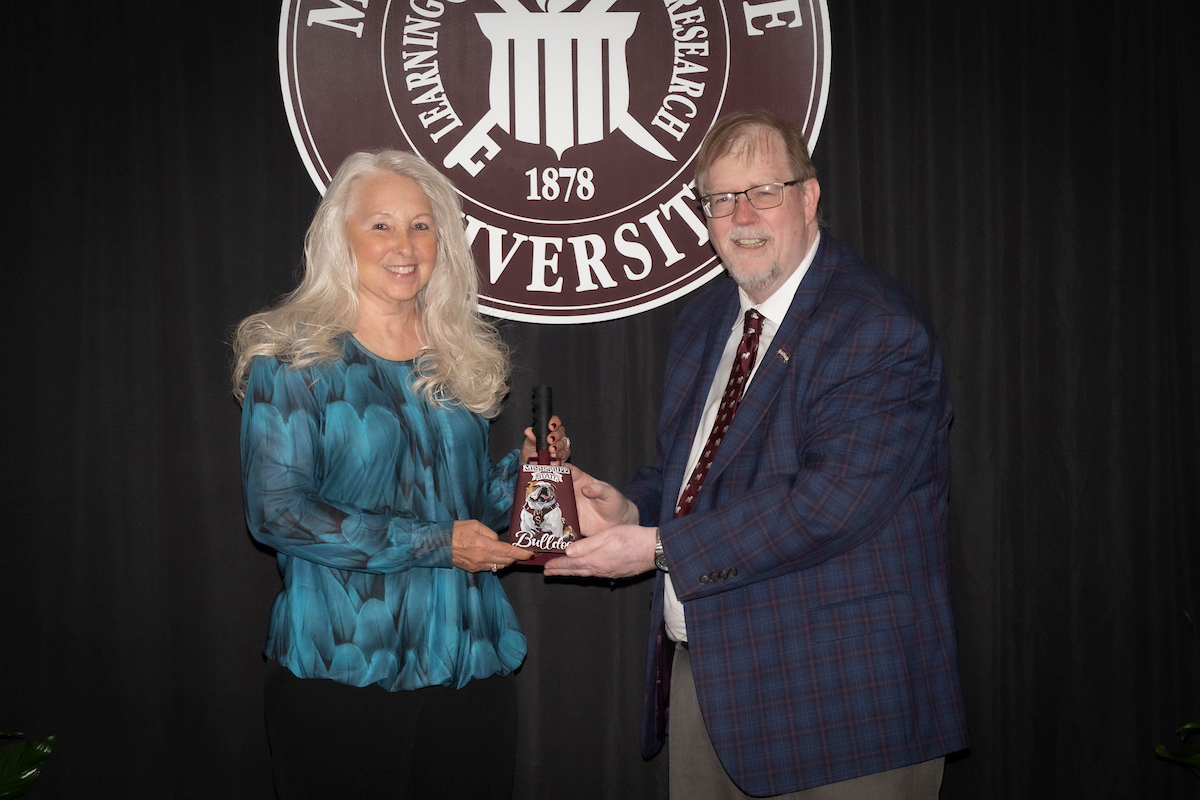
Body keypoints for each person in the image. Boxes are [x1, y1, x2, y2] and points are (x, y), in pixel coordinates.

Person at [544, 111, 968, 799]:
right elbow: (690, 471)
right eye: (721, 199)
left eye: (763, 191)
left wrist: (657, 549)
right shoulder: (708, 321)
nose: (742, 214)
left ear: (808, 196)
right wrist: (628, 508)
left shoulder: (876, 327)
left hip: (844, 709)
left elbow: (830, 506)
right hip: (711, 687)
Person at [231, 150, 568, 799]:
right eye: (381, 225)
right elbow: (278, 513)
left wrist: (525, 475)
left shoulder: (456, 361)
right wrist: (442, 545)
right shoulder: (295, 363)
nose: (405, 244)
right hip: (343, 672)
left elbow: (469, 510)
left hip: (470, 673)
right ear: (340, 237)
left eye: (422, 225)